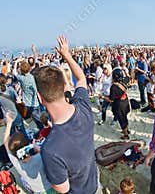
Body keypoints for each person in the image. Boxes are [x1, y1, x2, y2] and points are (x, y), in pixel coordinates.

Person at [34, 35, 99, 193]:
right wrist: (66, 55)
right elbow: (81, 78)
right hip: (94, 182)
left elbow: (63, 189)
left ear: (40, 98)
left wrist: (41, 153)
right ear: (65, 87)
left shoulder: (50, 149)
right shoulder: (83, 106)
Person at [3, 112, 55, 193]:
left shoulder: (15, 161)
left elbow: (5, 141)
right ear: (27, 144)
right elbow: (52, 152)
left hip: (37, 191)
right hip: (50, 188)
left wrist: (9, 123)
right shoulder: (40, 157)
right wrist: (36, 147)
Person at [106, 68, 131, 140]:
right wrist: (125, 71)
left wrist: (103, 97)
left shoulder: (114, 87)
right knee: (124, 117)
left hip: (119, 104)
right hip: (125, 102)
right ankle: (127, 129)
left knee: (121, 119)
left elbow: (111, 100)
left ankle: (125, 135)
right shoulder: (124, 81)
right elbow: (128, 77)